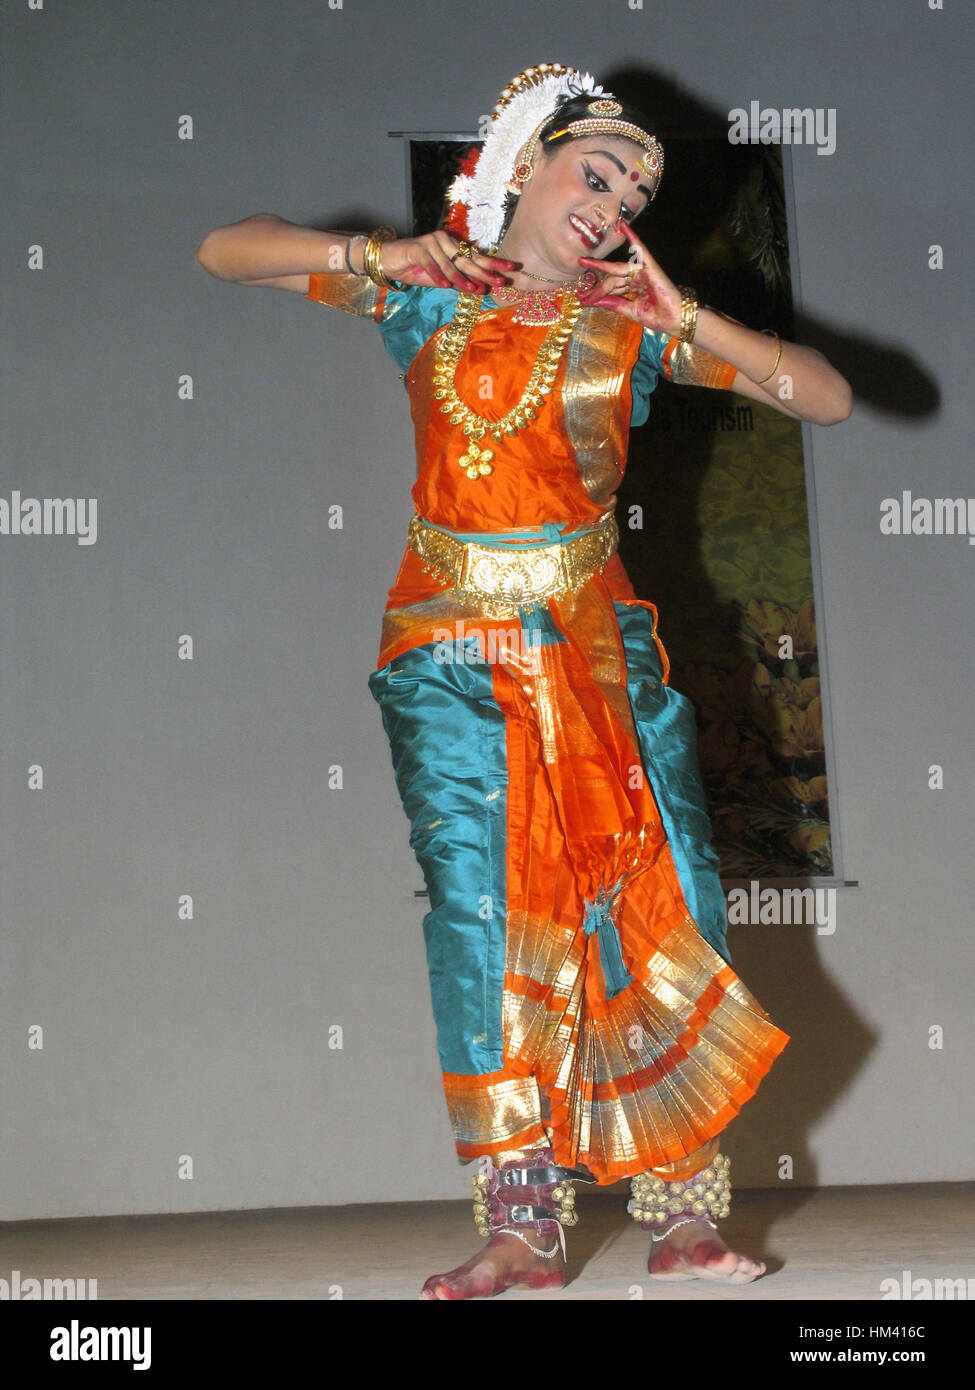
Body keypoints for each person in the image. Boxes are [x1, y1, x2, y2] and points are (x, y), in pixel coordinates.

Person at [196, 62, 852, 1301]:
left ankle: (681, 1210)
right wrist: (393, 257)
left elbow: (825, 395)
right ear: (524, 161)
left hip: (601, 658)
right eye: (596, 171)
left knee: (665, 902)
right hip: (445, 655)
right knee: (477, 917)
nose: (613, 204)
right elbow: (225, 251)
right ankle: (521, 1223)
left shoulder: (631, 323)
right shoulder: (423, 296)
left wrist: (682, 309)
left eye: (636, 194)